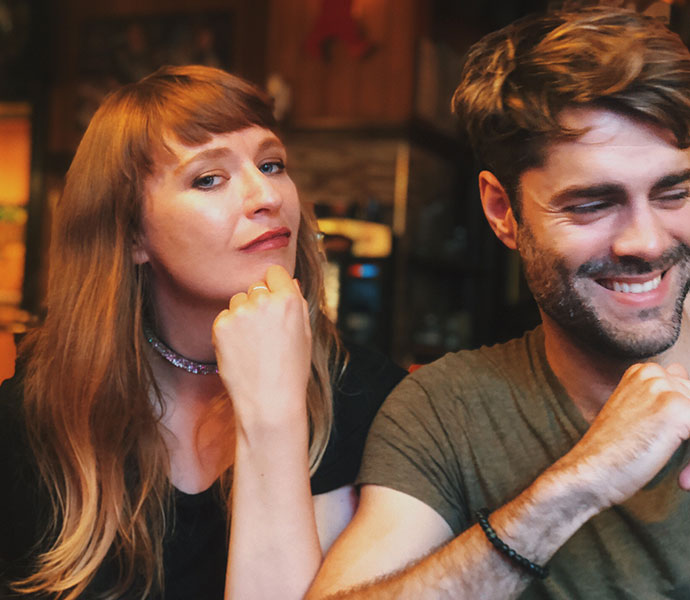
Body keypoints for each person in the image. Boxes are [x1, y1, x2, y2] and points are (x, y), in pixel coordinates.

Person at [308, 7, 690, 599]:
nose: (645, 242)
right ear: (502, 211)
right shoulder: (447, 411)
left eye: (673, 192)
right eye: (592, 204)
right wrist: (577, 485)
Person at [0, 65, 405, 600]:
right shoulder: (38, 412)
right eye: (209, 178)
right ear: (132, 235)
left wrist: (274, 414)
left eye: (272, 163)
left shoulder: (375, 402)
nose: (268, 196)